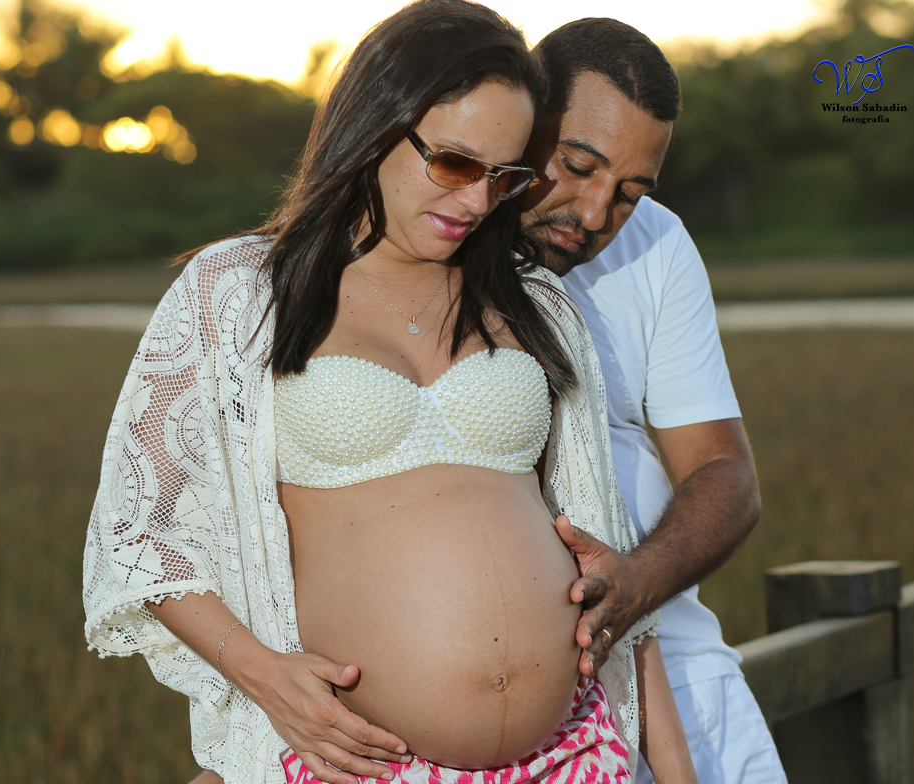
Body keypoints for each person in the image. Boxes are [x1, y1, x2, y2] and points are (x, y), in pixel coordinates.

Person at [83, 3, 696, 783]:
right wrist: (262, 674)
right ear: (379, 124)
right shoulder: (237, 293)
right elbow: (142, 530)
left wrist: (678, 773)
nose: (477, 201)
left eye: (502, 176)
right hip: (355, 764)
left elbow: (603, 570)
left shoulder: (536, 305)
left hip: (569, 760)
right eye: (453, 163)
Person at [521, 18, 787, 783]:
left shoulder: (659, 245)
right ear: (523, 117)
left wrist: (637, 584)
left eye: (630, 193)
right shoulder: (436, 253)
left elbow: (724, 475)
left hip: (684, 676)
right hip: (520, 733)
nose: (597, 214)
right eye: (575, 166)